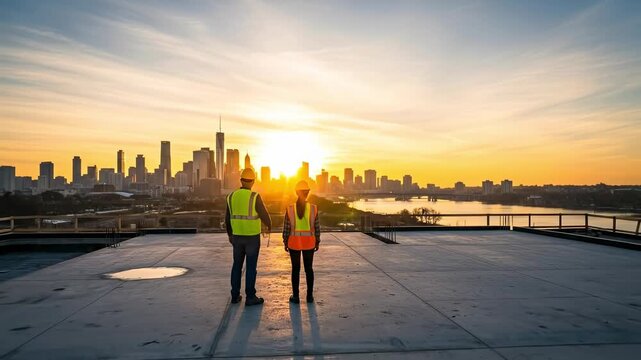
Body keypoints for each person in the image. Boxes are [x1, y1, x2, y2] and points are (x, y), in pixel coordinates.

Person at [225, 168, 272, 306]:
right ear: (253, 182)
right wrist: (269, 226)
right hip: (252, 238)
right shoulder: (254, 196)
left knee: (236, 266)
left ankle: (235, 295)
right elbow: (264, 215)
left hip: (237, 237)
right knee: (251, 267)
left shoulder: (231, 196)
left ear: (241, 180)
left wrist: (230, 235)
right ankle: (250, 297)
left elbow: (227, 218)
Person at [283, 180, 320, 304]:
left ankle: (296, 297)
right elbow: (317, 228)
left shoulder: (290, 209)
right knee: (309, 269)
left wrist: (285, 242)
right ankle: (309, 297)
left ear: (296, 192)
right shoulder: (314, 208)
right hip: (309, 243)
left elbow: (286, 228)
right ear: (308, 192)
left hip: (294, 243)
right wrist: (317, 242)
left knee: (295, 269)